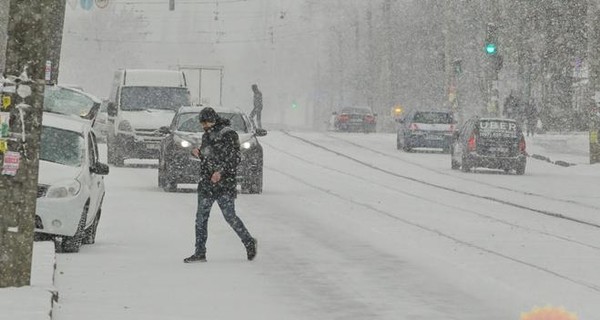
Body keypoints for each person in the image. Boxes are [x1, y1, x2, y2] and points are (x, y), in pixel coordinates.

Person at [184, 107, 257, 263]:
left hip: (224, 183)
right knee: (201, 219)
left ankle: (248, 241)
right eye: (202, 123)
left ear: (214, 119)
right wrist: (199, 154)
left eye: (206, 122)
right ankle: (200, 252)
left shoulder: (229, 134)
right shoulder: (207, 135)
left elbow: (234, 158)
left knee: (229, 216)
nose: (204, 125)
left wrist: (220, 172)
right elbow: (208, 157)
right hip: (206, 182)